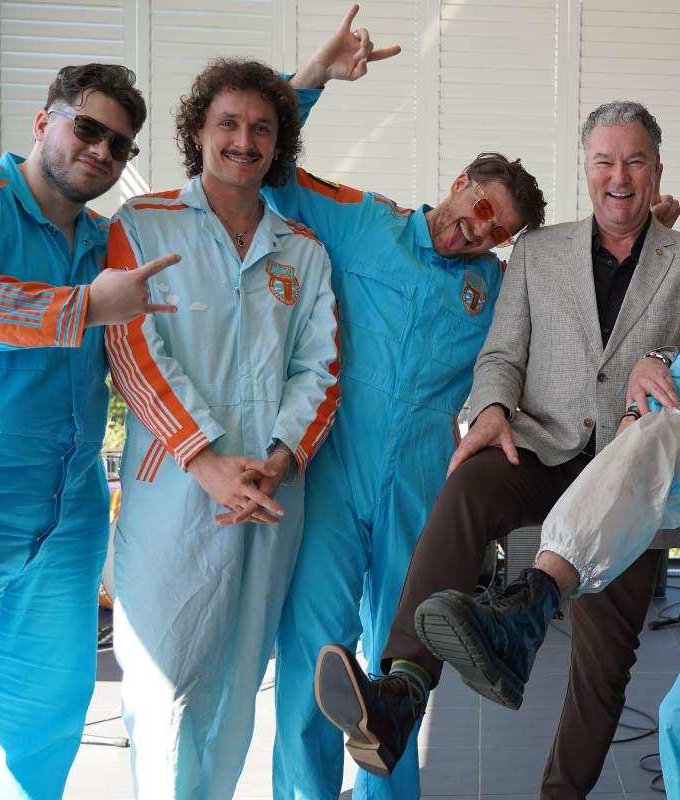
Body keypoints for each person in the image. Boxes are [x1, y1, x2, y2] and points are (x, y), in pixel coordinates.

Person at [314, 99, 680, 798]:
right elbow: (503, 354)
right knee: (469, 486)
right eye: (604, 161)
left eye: (634, 161)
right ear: (586, 168)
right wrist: (489, 410)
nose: (619, 177)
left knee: (604, 663)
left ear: (656, 170)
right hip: (540, 448)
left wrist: (662, 365)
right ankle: (402, 690)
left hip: (631, 474)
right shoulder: (538, 252)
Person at [412, 96, 680, 675]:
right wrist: (496, 406)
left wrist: (658, 338)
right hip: (578, 447)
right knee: (473, 484)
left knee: (623, 660)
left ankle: (527, 613)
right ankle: (412, 675)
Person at [255, 8, 546, 800]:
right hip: (335, 472)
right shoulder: (362, 222)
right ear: (457, 183)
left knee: (399, 667)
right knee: (315, 652)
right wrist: (313, 77)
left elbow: (558, 321)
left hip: (421, 484)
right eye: (477, 207)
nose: (474, 231)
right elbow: (269, 166)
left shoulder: (497, 288)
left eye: (495, 230)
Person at [105, 58, 339, 799]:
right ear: (198, 131)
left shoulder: (302, 250)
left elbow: (321, 367)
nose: (245, 141)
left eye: (262, 129)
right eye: (229, 123)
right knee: (164, 683)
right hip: (174, 489)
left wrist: (280, 459)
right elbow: (133, 348)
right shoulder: (143, 225)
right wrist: (204, 458)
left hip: (271, 493)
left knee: (239, 684)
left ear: (279, 144)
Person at [0, 64, 180, 796]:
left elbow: (223, 182)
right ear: (42, 122)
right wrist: (83, 307)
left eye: (120, 145)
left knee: (43, 727)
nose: (102, 151)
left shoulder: (109, 241)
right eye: (87, 127)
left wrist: (300, 85)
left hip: (72, 516)